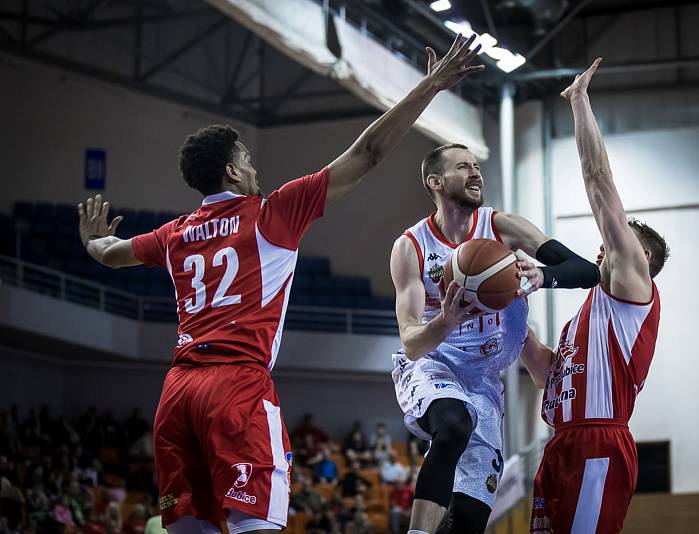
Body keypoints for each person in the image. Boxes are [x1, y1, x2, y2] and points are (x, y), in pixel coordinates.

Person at [77, 33, 484, 534]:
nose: (254, 166)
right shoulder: (272, 214)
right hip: (236, 387)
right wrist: (431, 86)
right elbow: (370, 151)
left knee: (190, 529)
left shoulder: (174, 234)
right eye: (246, 159)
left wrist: (92, 242)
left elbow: (110, 254)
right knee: (258, 525)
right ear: (231, 170)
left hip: (177, 393)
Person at [390, 139, 601, 533]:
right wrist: (445, 322)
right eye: (463, 167)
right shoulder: (411, 246)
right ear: (435, 182)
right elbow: (412, 343)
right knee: (453, 426)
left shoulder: (501, 226)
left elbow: (587, 270)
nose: (475, 172)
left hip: (485, 380)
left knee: (470, 519)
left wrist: (544, 274)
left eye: (476, 165)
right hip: (436, 364)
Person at [523, 59, 668, 534]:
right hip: (562, 443)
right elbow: (549, 373)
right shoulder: (587, 316)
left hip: (598, 446)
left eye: (623, 237)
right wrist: (506, 312)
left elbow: (598, 183)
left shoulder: (633, 287)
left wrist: (580, 102)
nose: (606, 240)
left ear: (640, 255)